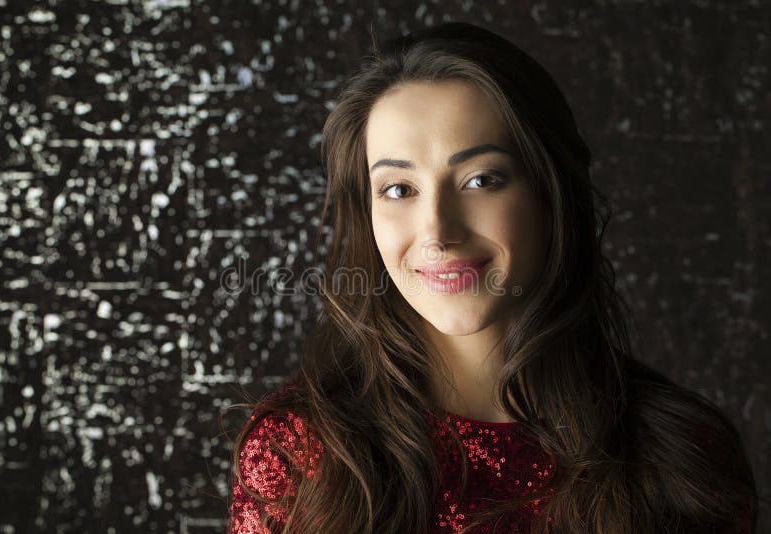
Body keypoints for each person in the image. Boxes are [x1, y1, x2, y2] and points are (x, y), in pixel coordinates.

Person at [226, 21, 758, 534]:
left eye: (481, 180)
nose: (438, 232)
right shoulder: (300, 457)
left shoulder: (681, 459)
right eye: (397, 189)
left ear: (549, 195)